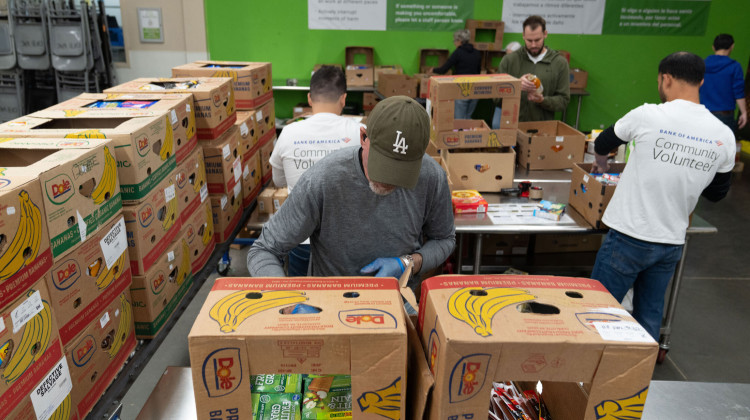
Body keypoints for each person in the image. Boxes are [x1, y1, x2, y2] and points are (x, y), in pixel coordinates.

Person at [590, 52, 735, 341]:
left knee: (597, 310)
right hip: (670, 243)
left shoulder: (647, 114)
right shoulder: (724, 135)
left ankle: (585, 377)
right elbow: (718, 193)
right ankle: (638, 381)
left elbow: (603, 143)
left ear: (665, 79)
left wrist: (602, 165)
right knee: (649, 314)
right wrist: (690, 172)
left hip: (628, 237)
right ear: (701, 81)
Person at [248, 96, 456, 286]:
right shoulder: (323, 180)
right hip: (330, 304)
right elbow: (264, 250)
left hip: (398, 302)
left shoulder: (431, 177)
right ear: (363, 137)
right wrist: (286, 300)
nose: (388, 181)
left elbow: (444, 238)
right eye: (382, 166)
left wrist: (410, 262)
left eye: (401, 172)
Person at [269, 65, 362, 276]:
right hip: (346, 241)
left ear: (310, 99)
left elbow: (278, 180)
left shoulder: (288, 133)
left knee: (302, 299)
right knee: (343, 302)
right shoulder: (358, 133)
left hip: (301, 237)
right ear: (344, 99)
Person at [493, 15, 569, 123]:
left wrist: (543, 100)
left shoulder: (559, 63)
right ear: (523, 36)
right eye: (529, 40)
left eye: (537, 40)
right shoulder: (509, 60)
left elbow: (563, 101)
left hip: (542, 131)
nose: (533, 45)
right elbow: (495, 97)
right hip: (513, 128)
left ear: (545, 34)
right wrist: (515, 86)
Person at [699, 34, 747, 135]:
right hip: (725, 116)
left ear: (713, 47)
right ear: (732, 47)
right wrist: (744, 112)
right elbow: (738, 92)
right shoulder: (735, 66)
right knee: (723, 148)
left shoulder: (702, 65)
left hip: (703, 114)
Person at [432, 29, 482, 120]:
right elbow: (478, 72)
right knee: (468, 118)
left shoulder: (458, 53)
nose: (454, 43)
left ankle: (460, 134)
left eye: (454, 41)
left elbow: (443, 70)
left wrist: (433, 70)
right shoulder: (477, 53)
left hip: (462, 89)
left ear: (459, 41)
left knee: (459, 120)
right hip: (475, 90)